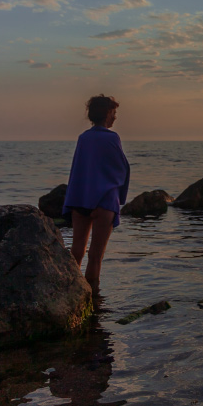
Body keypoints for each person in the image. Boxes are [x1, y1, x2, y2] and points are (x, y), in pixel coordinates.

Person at [63, 94, 130, 296]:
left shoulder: (83, 138)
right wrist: (119, 195)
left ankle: (70, 294)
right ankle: (92, 299)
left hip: (80, 199)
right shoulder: (112, 138)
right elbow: (122, 168)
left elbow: (78, 170)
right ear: (106, 113)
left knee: (76, 251)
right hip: (105, 202)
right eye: (113, 112)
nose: (115, 117)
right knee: (95, 255)